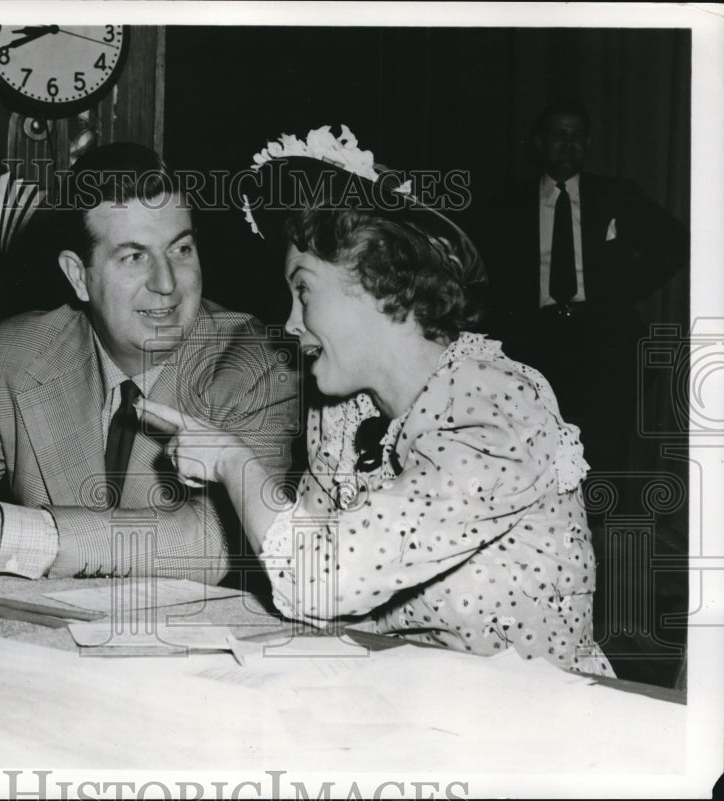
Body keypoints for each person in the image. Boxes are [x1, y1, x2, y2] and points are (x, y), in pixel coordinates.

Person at [139, 126, 613, 676]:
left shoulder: (499, 407)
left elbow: (321, 582)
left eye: (304, 290)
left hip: (534, 728)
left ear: (378, 279)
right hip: (398, 706)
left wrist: (230, 461)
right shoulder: (344, 414)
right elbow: (309, 603)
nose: (290, 323)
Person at [0, 143, 298, 584]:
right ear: (79, 276)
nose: (167, 283)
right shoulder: (13, 357)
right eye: (134, 256)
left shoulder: (255, 363)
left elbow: (215, 541)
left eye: (181, 249)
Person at [473, 100, 686, 471]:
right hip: (532, 338)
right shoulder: (508, 204)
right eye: (559, 135)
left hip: (600, 333)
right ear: (539, 142)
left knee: (604, 439)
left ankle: (600, 521)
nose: (568, 144)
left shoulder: (617, 194)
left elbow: (674, 241)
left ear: (587, 144)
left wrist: (625, 290)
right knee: (533, 441)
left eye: (577, 136)